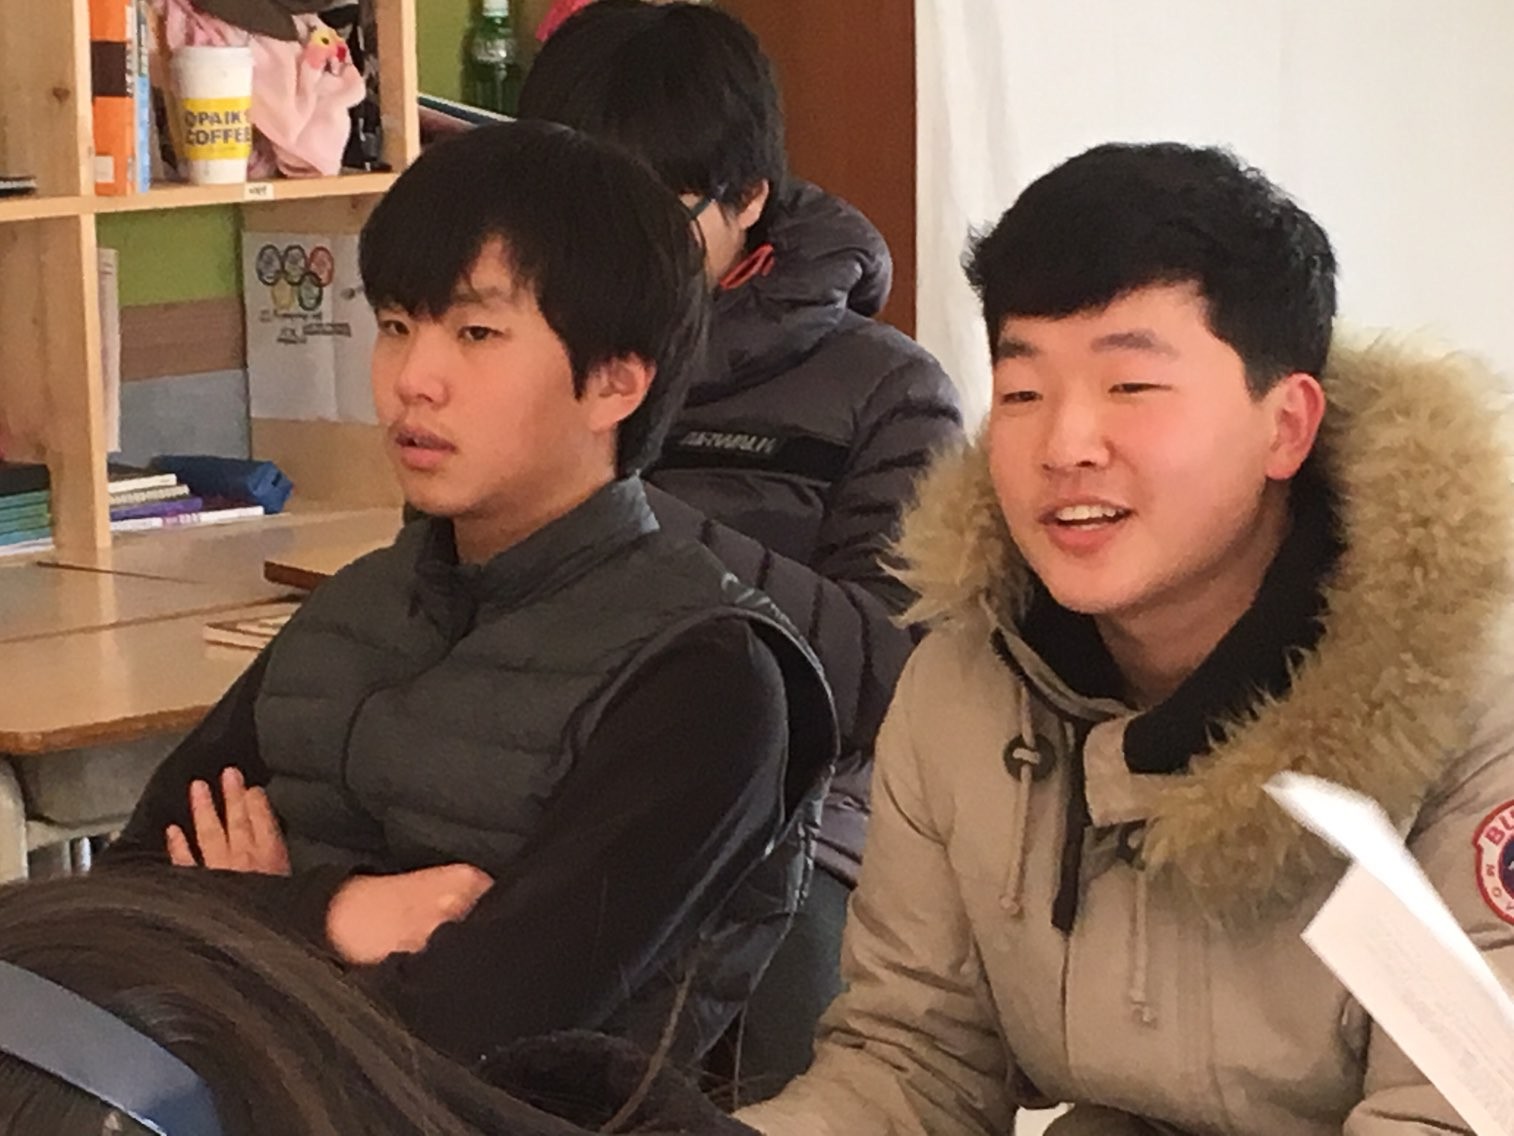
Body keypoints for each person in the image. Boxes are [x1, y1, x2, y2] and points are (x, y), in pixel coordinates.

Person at [737, 142, 1514, 1134]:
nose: (1064, 445)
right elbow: (916, 1064)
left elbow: (1455, 1111)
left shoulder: (1470, 707)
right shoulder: (963, 686)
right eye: (1023, 392)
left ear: (1286, 425)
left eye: (1131, 387)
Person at [108, 120, 836, 1068]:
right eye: (396, 326)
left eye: (477, 333)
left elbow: (475, 1029)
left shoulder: (706, 676)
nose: (413, 380)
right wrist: (334, 915)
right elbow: (111, 908)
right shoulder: (354, 607)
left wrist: (235, 920)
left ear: (615, 383)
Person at [517, 1, 964, 1092]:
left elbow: (889, 674)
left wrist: (617, 512)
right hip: (541, 786)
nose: (598, 256)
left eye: (642, 212)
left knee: (777, 990)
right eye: (566, 212)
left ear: (747, 200)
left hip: (793, 818)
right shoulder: (516, 365)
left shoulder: (886, 389)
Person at [0, 866, 757, 1135]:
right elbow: (151, 848)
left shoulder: (712, 670)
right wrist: (314, 905)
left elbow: (478, 1001)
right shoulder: (353, 617)